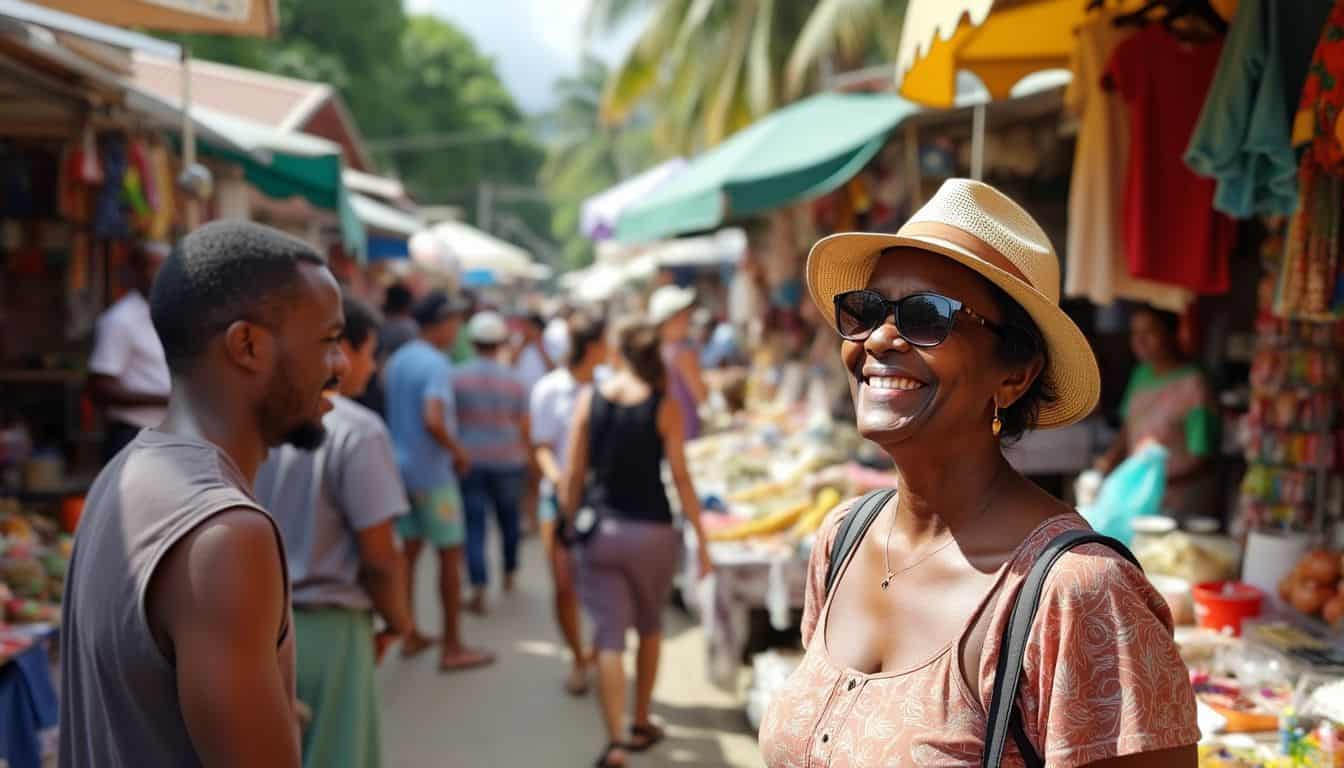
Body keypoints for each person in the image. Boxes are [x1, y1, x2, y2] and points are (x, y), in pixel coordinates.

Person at [756, 179, 1198, 767]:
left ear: (1015, 373)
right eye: (866, 310)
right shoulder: (844, 541)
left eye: (926, 316)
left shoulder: (1077, 596)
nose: (881, 338)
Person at [60, 221, 349, 767]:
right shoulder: (227, 534)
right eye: (330, 342)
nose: (343, 367)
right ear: (247, 345)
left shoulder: (124, 475)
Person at [254, 294, 414, 768]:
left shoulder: (252, 420)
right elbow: (380, 557)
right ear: (340, 348)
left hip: (256, 626)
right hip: (328, 632)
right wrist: (399, 621)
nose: (372, 367)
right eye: (371, 352)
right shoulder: (357, 430)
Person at [561, 320, 714, 768]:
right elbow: (681, 479)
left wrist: (570, 525)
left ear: (619, 353)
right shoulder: (664, 406)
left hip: (603, 530)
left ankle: (615, 742)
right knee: (649, 628)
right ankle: (641, 719)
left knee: (609, 637)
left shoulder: (591, 399)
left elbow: (573, 473)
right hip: (653, 532)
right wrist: (702, 539)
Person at [384, 291, 494, 672]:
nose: (457, 329)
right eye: (453, 322)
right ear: (442, 323)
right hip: (433, 475)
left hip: (401, 470)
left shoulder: (398, 360)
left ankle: (409, 632)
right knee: (450, 555)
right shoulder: (436, 364)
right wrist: (458, 450)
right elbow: (433, 419)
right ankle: (453, 646)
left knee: (409, 556)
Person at [529, 311, 607, 696]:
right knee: (563, 585)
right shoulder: (548, 389)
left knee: (602, 585)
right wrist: (561, 480)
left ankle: (597, 652)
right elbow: (540, 446)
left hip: (602, 501)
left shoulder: (610, 387)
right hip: (556, 501)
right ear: (592, 347)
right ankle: (578, 657)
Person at [1095, 305, 1218, 520]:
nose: (1140, 341)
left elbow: (1204, 458)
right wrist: (1110, 461)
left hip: (1180, 501)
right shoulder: (1140, 374)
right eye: (1135, 333)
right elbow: (1129, 426)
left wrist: (1157, 483)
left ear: (1171, 334)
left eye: (1149, 332)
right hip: (1141, 498)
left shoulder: (1193, 384)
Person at [453, 310, 531, 614]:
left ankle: (479, 586)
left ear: (473, 341)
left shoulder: (456, 377)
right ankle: (510, 573)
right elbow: (524, 424)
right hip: (509, 461)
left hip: (470, 461)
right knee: (509, 519)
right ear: (500, 342)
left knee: (475, 525)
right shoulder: (515, 380)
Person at [87, 240, 171, 461]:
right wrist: (168, 399)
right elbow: (100, 388)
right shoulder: (119, 320)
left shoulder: (172, 317)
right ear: (134, 273)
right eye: (153, 267)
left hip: (171, 434)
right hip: (133, 435)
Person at [649, 285, 708, 441]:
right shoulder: (683, 351)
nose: (688, 317)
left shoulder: (656, 349)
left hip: (663, 425)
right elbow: (701, 394)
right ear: (671, 319)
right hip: (685, 423)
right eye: (684, 313)